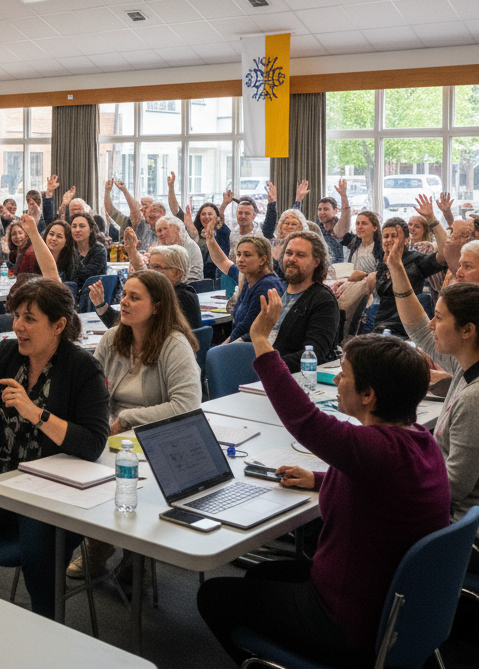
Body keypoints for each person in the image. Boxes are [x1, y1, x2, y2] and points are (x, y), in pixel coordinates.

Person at [198, 292, 449, 667]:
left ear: (368, 395)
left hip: (346, 623)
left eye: (343, 375)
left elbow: (305, 420)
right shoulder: (419, 441)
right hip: (391, 603)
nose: (337, 381)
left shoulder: (372, 449)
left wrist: (263, 343)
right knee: (264, 572)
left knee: (215, 595)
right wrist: (317, 479)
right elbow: (379, 488)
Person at [0, 280, 110, 618]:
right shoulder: (7, 353)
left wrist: (36, 413)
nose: (17, 326)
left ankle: (45, 634)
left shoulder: (82, 368)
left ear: (59, 325)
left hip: (49, 488)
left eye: (29, 319)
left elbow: (92, 443)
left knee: (39, 554)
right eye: (16, 316)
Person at [68, 269, 201, 578]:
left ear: (157, 306)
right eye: (124, 295)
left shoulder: (174, 344)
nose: (124, 303)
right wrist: (99, 425)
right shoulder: (113, 338)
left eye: (134, 297)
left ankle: (134, 551)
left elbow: (186, 406)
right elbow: (92, 393)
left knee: (127, 474)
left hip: (160, 436)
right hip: (111, 432)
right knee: (85, 463)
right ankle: (101, 540)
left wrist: (127, 419)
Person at [386, 235, 479, 572]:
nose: (431, 324)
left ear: (467, 330)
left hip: (454, 530)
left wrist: (394, 479)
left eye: (439, 317)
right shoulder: (466, 367)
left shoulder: (473, 398)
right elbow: (419, 331)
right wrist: (397, 269)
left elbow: (453, 485)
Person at [229, 231, 339, 370]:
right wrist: (238, 344)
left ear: (316, 262)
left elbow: (315, 354)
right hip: (262, 366)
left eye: (300, 255)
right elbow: (264, 330)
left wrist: (266, 364)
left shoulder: (322, 300)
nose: (292, 259)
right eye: (288, 253)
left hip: (288, 376)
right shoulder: (280, 292)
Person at [363, 199, 447, 336]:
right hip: (380, 328)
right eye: (386, 236)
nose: (389, 240)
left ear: (407, 239)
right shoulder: (383, 265)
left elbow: (444, 256)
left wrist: (431, 219)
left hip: (406, 330)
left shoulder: (416, 260)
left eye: (394, 236)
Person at [205, 233, 284, 343]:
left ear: (262, 260)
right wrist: (210, 239)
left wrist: (220, 352)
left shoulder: (267, 286)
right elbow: (222, 261)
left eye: (247, 255)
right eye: (239, 254)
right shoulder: (249, 279)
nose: (240, 259)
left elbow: (245, 330)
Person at [103, 244, 202, 332]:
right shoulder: (166, 293)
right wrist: (100, 305)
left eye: (157, 267)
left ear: (177, 273)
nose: (150, 271)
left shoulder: (180, 298)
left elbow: (127, 326)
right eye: (150, 266)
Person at [152, 213, 202, 283]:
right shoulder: (160, 248)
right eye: (159, 231)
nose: (162, 233)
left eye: (165, 228)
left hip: (188, 287)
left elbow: (195, 275)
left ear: (176, 228)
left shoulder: (190, 246)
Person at [408, 210, 447, 294]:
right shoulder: (407, 247)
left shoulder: (430, 248)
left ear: (425, 230)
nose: (412, 228)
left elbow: (437, 283)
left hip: (428, 291)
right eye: (410, 224)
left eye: (417, 226)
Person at [68, 211, 108, 292]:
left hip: (93, 294)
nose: (77, 230)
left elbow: (86, 276)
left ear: (91, 229)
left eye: (82, 226)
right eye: (74, 226)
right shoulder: (68, 248)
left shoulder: (99, 250)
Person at [315, 189, 352, 264]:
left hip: (340, 269)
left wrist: (343, 196)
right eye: (319, 209)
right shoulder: (317, 229)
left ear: (335, 211)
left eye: (326, 209)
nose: (322, 212)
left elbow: (345, 214)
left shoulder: (340, 228)